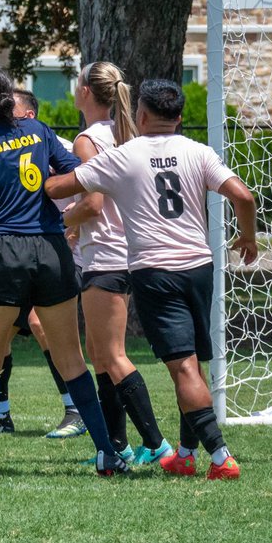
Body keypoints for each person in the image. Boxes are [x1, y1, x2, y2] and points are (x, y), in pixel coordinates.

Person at [46, 79, 258, 481]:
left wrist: (33, 173)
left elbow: (63, 186)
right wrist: (246, 236)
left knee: (182, 369)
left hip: (155, 271)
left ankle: (220, 456)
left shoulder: (125, 156)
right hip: (199, 268)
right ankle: (184, 454)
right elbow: (244, 197)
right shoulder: (198, 151)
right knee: (192, 365)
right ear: (179, 117)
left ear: (141, 115)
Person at [0, 67, 131, 478]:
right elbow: (80, 172)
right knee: (72, 358)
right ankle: (107, 453)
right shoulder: (42, 132)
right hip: (51, 249)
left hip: (3, 251)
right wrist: (49, 189)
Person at [63, 62, 171, 466]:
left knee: (111, 355)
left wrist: (64, 221)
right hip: (124, 253)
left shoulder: (87, 140)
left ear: (87, 92)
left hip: (105, 257)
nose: (75, 89)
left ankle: (157, 444)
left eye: (77, 82)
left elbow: (92, 203)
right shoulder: (126, 133)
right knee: (100, 353)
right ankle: (117, 446)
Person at [0, 89, 86, 440]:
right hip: (19, 254)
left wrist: (71, 225)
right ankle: (1, 415)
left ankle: (75, 409)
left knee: (39, 322)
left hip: (59, 256)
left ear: (30, 117)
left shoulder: (59, 145)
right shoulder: (3, 146)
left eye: (12, 113)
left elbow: (89, 192)